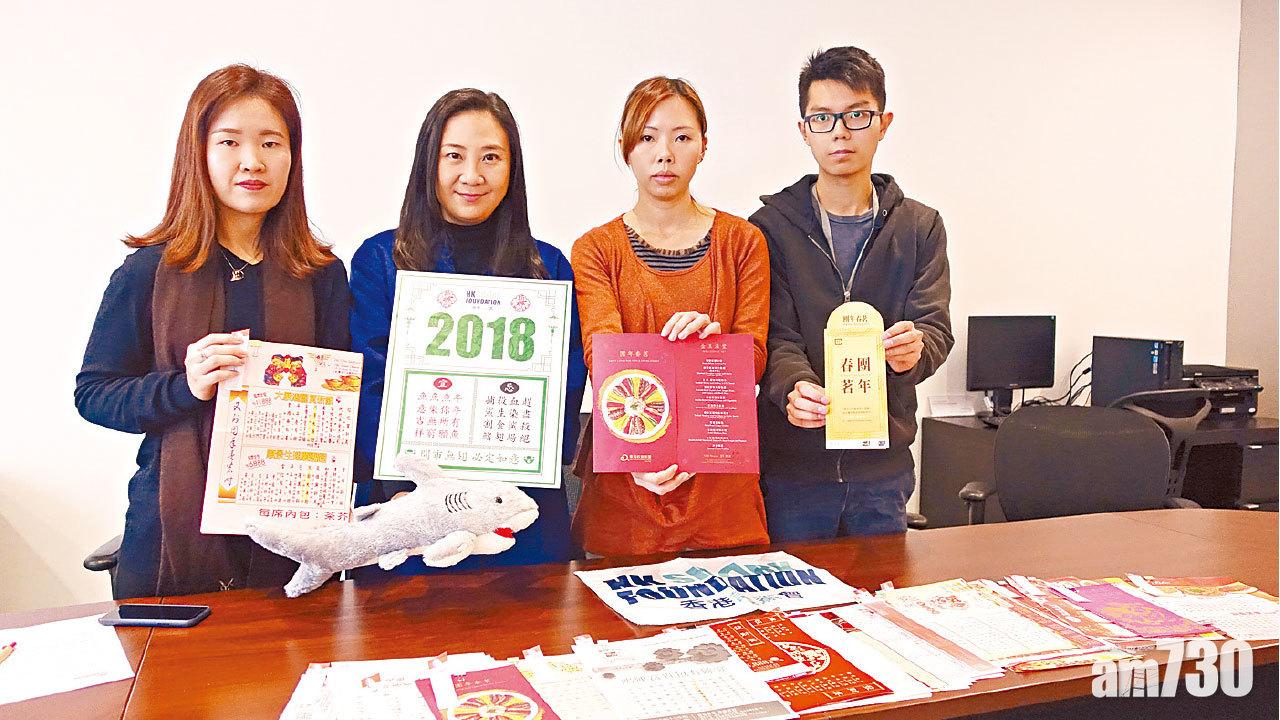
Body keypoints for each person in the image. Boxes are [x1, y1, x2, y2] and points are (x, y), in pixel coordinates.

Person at [75, 65, 351, 598]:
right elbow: (94, 393)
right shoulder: (149, 272)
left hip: (299, 537)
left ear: (292, 157)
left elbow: (344, 405)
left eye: (271, 143)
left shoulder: (321, 275)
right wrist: (186, 386)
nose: (253, 161)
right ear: (197, 153)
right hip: (170, 536)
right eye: (229, 142)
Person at [350, 89, 586, 570]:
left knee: (534, 618)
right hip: (410, 509)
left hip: (521, 513)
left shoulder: (548, 268)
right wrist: (402, 485)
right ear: (428, 163)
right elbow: (368, 384)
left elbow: (566, 384)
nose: (472, 175)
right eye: (453, 156)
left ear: (512, 168)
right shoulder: (381, 260)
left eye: (491, 157)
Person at [752, 46, 953, 541]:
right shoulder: (770, 229)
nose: (840, 132)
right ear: (804, 130)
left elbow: (935, 328)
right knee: (794, 590)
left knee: (882, 589)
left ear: (883, 123)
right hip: (793, 469)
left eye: (856, 115)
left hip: (881, 473)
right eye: (822, 118)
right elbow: (774, 337)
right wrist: (794, 387)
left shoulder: (919, 227)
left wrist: (914, 351)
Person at [571, 77, 771, 556]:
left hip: (721, 481)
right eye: (647, 137)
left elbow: (756, 357)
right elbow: (601, 354)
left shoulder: (743, 242)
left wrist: (717, 350)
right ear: (626, 147)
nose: (664, 154)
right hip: (625, 480)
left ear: (703, 146)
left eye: (682, 137)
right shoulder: (595, 249)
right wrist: (640, 455)